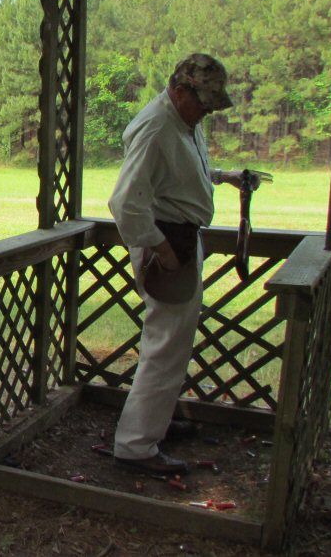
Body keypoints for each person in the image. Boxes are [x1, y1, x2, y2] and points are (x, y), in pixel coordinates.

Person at [107, 53, 249, 474]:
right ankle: (136, 446)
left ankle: (155, 424)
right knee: (165, 347)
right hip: (167, 244)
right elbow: (125, 203)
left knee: (172, 343)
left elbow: (179, 174)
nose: (207, 111)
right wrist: (162, 251)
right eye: (203, 101)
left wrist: (223, 176)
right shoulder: (157, 126)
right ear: (179, 89)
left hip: (181, 240)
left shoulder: (183, 121)